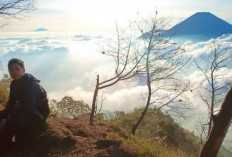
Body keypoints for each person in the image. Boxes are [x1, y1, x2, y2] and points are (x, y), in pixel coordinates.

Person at [0, 58, 50, 149]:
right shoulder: (14, 84)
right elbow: (11, 102)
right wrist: (4, 113)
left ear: (23, 70)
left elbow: (28, 107)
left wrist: (10, 115)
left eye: (17, 69)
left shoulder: (31, 85)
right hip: (26, 109)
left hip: (37, 113)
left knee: (10, 123)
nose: (14, 72)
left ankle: (6, 146)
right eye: (11, 70)